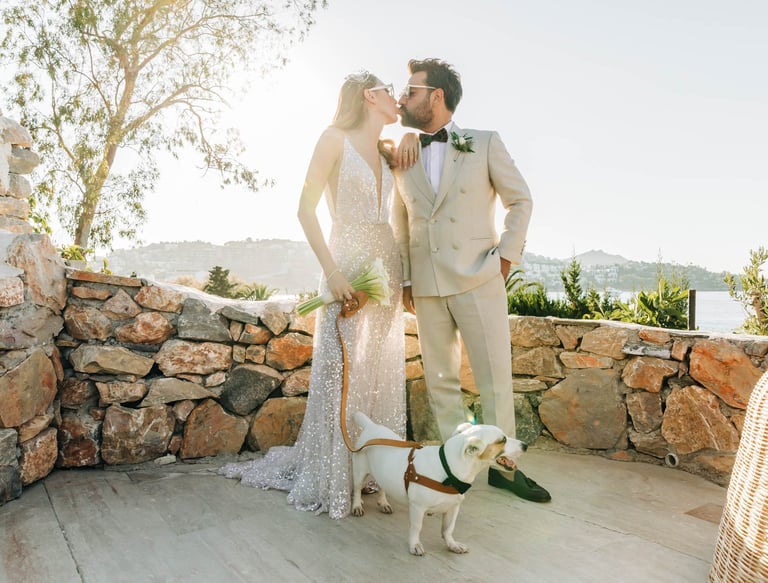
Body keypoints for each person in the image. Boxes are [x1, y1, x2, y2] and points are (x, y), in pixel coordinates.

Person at [220, 71, 407, 519]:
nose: (397, 97)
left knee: (378, 372)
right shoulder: (333, 139)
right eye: (390, 89)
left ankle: (373, 472)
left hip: (387, 268)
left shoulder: (389, 152)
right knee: (340, 372)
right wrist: (333, 272)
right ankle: (332, 472)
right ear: (370, 95)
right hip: (346, 265)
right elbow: (305, 210)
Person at [392, 58, 551, 503]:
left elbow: (521, 200)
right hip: (426, 286)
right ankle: (455, 468)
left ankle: (504, 468)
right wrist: (406, 280)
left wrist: (506, 258)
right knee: (441, 383)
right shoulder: (403, 154)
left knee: (494, 380)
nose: (402, 98)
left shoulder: (484, 143)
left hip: (479, 277)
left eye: (410, 91)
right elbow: (400, 224)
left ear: (436, 96)